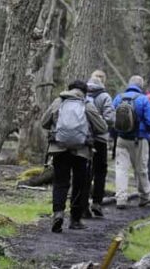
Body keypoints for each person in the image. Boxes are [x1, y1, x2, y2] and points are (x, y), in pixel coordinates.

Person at [40, 79, 107, 232]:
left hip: (59, 148)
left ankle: (58, 214)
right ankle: (75, 220)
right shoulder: (86, 104)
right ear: (84, 92)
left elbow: (44, 123)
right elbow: (102, 127)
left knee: (60, 182)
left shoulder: (58, 102)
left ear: (69, 89)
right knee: (79, 184)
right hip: (81, 151)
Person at [111, 75, 150, 209]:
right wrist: (146, 132)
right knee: (141, 169)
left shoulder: (118, 98)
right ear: (140, 86)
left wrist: (115, 134)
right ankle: (144, 196)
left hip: (121, 139)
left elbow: (112, 118)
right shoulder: (144, 99)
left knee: (121, 169)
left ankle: (120, 199)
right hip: (139, 139)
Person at [85, 72, 114, 217]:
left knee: (85, 172)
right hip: (100, 140)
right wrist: (99, 121)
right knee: (100, 172)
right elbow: (110, 119)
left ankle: (83, 204)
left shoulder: (81, 96)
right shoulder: (105, 97)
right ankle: (97, 202)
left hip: (84, 140)